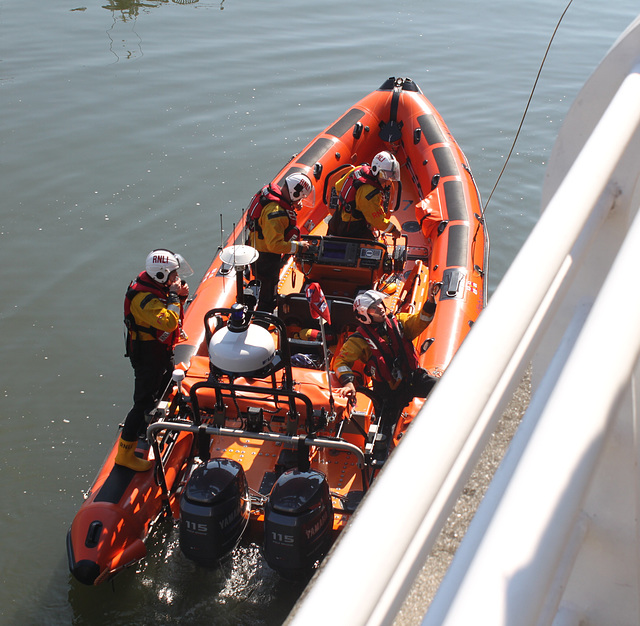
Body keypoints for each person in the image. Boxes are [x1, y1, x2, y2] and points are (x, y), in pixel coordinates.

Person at [334, 287, 438, 449]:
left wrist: (430, 302)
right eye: (374, 307)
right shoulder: (359, 340)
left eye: (380, 304)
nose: (381, 308)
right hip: (388, 391)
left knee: (443, 387)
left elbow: (420, 320)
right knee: (385, 434)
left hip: (412, 378)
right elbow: (341, 362)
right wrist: (348, 383)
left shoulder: (399, 323)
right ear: (364, 314)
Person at [120, 249, 190, 471]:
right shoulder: (144, 299)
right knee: (142, 401)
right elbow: (168, 322)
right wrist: (173, 296)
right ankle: (125, 453)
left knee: (167, 378)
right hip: (147, 353)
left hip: (160, 349)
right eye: (172, 275)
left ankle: (156, 417)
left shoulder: (156, 287)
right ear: (160, 275)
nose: (175, 279)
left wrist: (179, 297)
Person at [246, 172, 313, 312]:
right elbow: (274, 245)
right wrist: (298, 247)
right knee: (268, 293)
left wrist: (293, 204)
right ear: (294, 193)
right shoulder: (276, 214)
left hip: (256, 246)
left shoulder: (274, 195)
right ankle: (264, 314)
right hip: (266, 257)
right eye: (299, 197)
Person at [327, 150, 402, 240]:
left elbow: (338, 186)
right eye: (385, 175)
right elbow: (377, 221)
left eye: (390, 175)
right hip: (351, 228)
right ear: (375, 170)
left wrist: (351, 205)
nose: (387, 179)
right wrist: (393, 230)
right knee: (374, 247)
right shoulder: (371, 193)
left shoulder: (358, 170)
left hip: (336, 219)